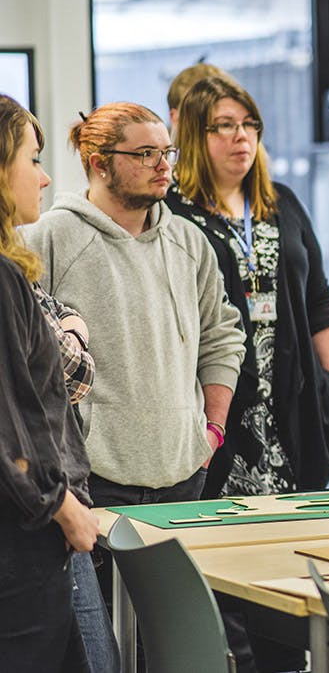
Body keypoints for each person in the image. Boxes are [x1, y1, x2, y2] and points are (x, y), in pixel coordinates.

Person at [22, 101, 246, 515]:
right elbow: (24, 360)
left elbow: (222, 339)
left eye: (167, 153)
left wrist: (211, 432)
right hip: (92, 480)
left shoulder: (189, 241)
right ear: (100, 164)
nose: (163, 165)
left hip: (184, 473)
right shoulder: (49, 237)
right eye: (146, 154)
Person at [169, 75, 329, 500]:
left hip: (294, 394)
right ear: (195, 134)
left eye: (250, 125)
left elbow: (320, 300)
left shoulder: (280, 202)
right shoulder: (171, 212)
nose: (241, 137)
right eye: (225, 125)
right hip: (216, 403)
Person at [0, 94, 100, 672]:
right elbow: (11, 428)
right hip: (22, 538)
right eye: (31, 159)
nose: (43, 178)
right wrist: (64, 507)